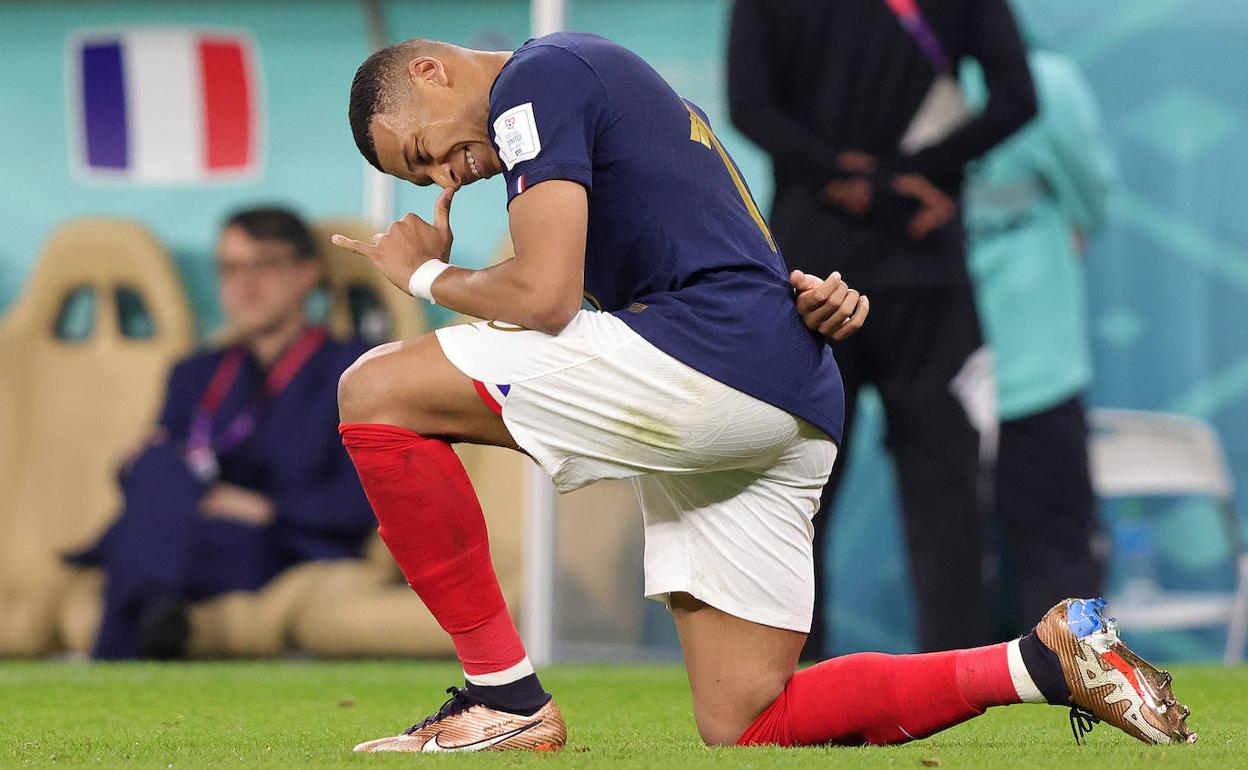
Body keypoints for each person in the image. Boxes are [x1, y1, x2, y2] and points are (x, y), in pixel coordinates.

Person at [328, 32, 1193, 752]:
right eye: (424, 180)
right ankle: (1045, 660)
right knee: (748, 718)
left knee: (373, 388)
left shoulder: (534, 80)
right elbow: (693, 249)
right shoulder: (604, 82)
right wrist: (805, 296)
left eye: (423, 152)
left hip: (709, 363)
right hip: (786, 389)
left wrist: (424, 274)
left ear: (431, 71)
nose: (446, 177)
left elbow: (545, 297)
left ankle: (503, 697)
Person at [727, 0, 1039, 658]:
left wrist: (841, 176)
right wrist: (914, 177)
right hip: (925, 260)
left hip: (812, 278)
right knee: (944, 492)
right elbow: (1017, 98)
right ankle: (955, 683)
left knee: (798, 490)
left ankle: (791, 683)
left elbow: (750, 109)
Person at [68, 207, 375, 659]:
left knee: (143, 542)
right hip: (192, 530)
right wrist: (162, 475)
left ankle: (124, 646)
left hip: (278, 540)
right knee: (154, 463)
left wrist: (263, 509)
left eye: (264, 265)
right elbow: (154, 475)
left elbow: (364, 496)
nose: (244, 285)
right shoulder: (195, 373)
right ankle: (157, 612)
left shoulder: (354, 369)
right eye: (230, 269)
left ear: (307, 273)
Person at [962, 46, 1117, 631]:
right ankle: (1077, 673)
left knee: (956, 556)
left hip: (947, 366)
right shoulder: (1048, 79)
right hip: (1029, 355)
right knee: (1056, 543)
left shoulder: (894, 79)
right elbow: (1091, 197)